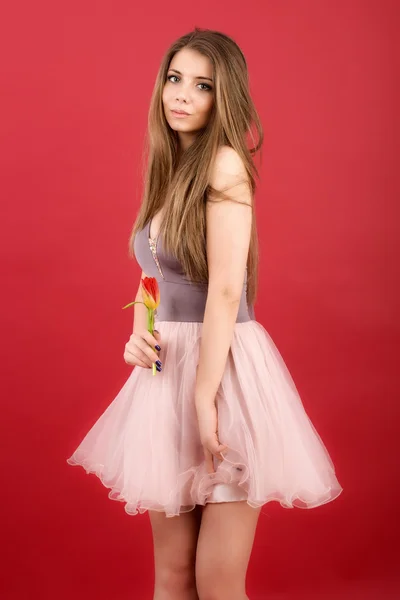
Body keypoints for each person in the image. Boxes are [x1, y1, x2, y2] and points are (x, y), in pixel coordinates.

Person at [67, 28, 343, 600]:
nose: (182, 95)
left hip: (221, 374)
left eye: (202, 86)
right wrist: (139, 330)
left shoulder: (224, 166)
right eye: (175, 79)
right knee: (171, 576)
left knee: (217, 582)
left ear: (226, 98)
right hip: (167, 372)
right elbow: (151, 272)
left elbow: (223, 289)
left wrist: (203, 394)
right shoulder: (171, 169)